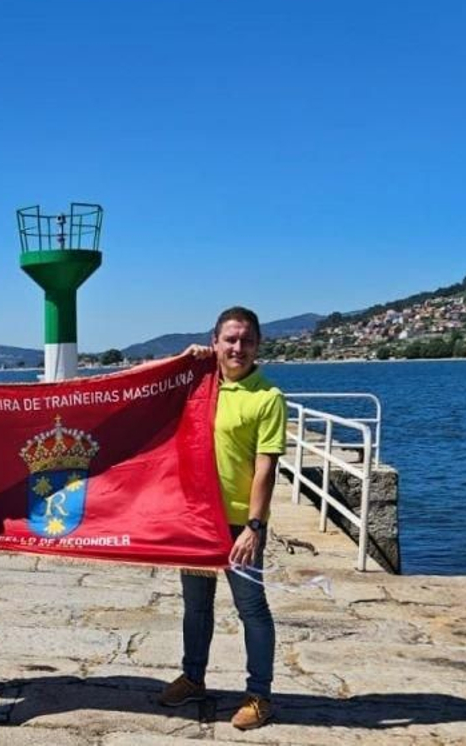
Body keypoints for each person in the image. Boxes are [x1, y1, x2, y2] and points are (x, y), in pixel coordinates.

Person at [158, 306, 283, 730]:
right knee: (196, 607)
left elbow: (266, 468)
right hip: (197, 520)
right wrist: (181, 359)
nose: (238, 347)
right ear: (215, 342)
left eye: (247, 340)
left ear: (258, 346)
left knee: (252, 609)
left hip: (238, 524)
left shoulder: (267, 397)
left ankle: (260, 695)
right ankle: (193, 678)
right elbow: (146, 388)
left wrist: (254, 527)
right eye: (230, 339)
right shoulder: (198, 383)